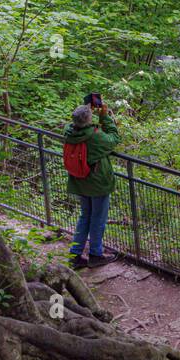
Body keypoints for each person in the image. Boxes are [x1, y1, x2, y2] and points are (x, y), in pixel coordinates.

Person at [64, 99, 119, 268]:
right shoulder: (95, 137)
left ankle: (75, 255)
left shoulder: (68, 132)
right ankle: (95, 254)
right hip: (97, 183)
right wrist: (104, 117)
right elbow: (114, 138)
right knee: (98, 219)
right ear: (89, 119)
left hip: (79, 181)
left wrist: (86, 109)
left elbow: (76, 121)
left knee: (85, 216)